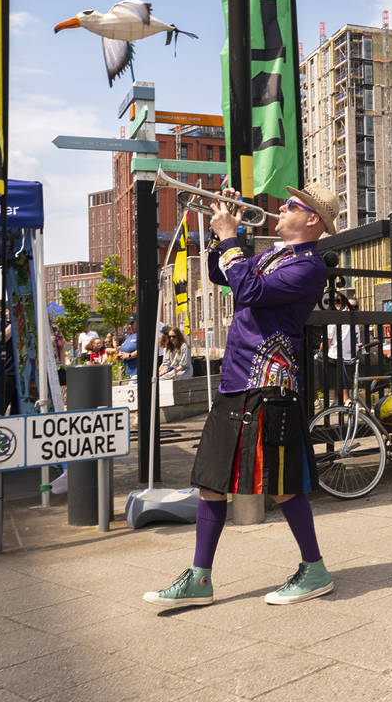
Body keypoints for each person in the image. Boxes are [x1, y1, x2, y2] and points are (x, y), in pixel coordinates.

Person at [144, 181, 339, 608]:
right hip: (236, 381)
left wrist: (232, 237)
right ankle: (200, 577)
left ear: (312, 220)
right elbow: (222, 274)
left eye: (290, 205)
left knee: (281, 485)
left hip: (269, 385)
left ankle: (315, 568)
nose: (280, 209)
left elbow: (248, 291)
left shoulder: (310, 267)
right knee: (211, 481)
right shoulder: (274, 255)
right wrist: (220, 234)